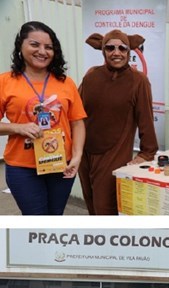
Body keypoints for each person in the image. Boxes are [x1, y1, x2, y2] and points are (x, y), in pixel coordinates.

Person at [0, 21, 86, 215]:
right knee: (36, 221)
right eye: (34, 44)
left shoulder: (66, 83)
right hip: (22, 168)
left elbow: (77, 122)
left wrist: (77, 156)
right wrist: (18, 127)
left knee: (55, 218)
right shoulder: (5, 82)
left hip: (60, 163)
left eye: (48, 47)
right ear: (20, 46)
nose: (42, 51)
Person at [78, 29, 158, 215]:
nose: (116, 53)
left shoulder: (139, 80)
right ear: (103, 51)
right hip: (84, 152)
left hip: (114, 153)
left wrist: (147, 153)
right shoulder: (91, 75)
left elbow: (146, 118)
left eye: (122, 48)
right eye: (110, 48)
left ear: (129, 51)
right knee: (91, 203)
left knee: (105, 207)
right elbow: (77, 111)